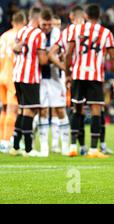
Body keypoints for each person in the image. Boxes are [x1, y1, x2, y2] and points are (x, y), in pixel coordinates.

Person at [65, 4, 114, 158]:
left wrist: (67, 73)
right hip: (95, 75)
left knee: (77, 109)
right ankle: (94, 150)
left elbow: (68, 53)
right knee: (96, 111)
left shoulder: (76, 30)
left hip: (77, 73)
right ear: (99, 15)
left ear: (86, 15)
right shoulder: (106, 33)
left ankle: (72, 147)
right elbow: (113, 58)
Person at [10, 7, 49, 157]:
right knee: (29, 110)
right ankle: (28, 149)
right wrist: (50, 55)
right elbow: (42, 60)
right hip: (30, 76)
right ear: (38, 19)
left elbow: (16, 48)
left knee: (22, 109)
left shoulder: (21, 31)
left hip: (17, 75)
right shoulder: (39, 34)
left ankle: (15, 146)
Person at [37, 9, 70, 156]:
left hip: (56, 77)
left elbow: (64, 53)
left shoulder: (58, 34)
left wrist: (60, 62)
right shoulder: (36, 34)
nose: (46, 27)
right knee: (42, 111)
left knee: (60, 110)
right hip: (40, 78)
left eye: (48, 24)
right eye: (44, 24)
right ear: (39, 22)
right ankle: (44, 147)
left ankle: (64, 146)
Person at [0, 11, 26, 153]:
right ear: (23, 22)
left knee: (4, 109)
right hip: (11, 76)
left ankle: (1, 140)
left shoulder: (3, 36)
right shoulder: (19, 36)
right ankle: (7, 140)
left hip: (1, 75)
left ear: (12, 22)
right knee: (12, 109)